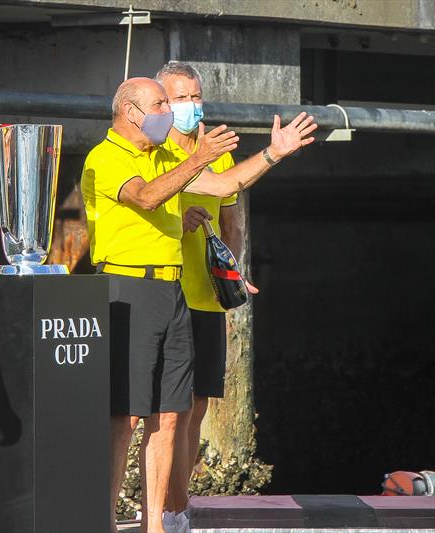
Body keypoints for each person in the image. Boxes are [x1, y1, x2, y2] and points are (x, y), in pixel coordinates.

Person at [80, 77, 316, 533]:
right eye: (161, 102)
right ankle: (105, 520)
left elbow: (226, 182)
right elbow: (147, 196)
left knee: (172, 413)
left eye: (174, 101)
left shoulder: (168, 155)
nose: (170, 110)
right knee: (126, 414)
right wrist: (198, 158)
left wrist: (273, 154)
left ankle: (156, 522)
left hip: (172, 291)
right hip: (127, 287)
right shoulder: (105, 157)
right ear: (130, 111)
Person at [155, 60, 312, 532]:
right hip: (164, 290)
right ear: (160, 103)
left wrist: (233, 271)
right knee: (169, 411)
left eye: (196, 96)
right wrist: (271, 155)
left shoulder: (216, 151)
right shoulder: (155, 151)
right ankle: (167, 510)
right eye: (180, 98)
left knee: (198, 406)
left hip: (205, 295)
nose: (191, 106)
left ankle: (177, 506)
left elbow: (230, 218)